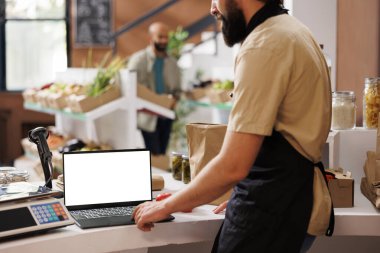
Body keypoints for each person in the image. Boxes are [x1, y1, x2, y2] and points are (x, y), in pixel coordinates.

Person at [132, 0, 332, 252]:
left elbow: (232, 165)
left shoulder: (263, 44)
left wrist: (167, 205)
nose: (212, 9)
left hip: (272, 210)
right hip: (293, 201)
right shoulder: (295, 31)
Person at [127, 22, 181, 155]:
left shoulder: (173, 63)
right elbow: (131, 88)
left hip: (166, 115)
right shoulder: (138, 60)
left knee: (161, 154)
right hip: (147, 117)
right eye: (160, 37)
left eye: (166, 37)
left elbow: (177, 90)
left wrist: (174, 99)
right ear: (151, 39)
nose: (164, 40)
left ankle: (158, 176)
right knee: (153, 155)